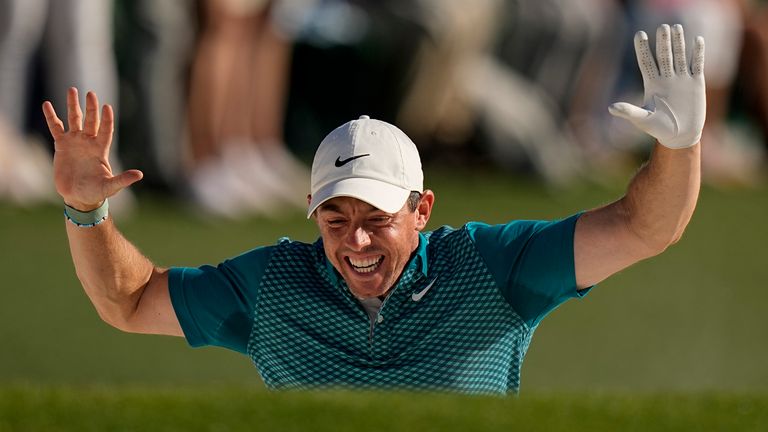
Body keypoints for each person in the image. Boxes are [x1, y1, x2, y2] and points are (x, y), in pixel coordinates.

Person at [41, 25, 705, 395]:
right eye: (335, 219)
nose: (355, 240)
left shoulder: (493, 267)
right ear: (310, 212)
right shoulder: (273, 287)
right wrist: (82, 210)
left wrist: (681, 148)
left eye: (377, 218)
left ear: (423, 210)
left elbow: (646, 226)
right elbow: (126, 303)